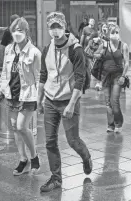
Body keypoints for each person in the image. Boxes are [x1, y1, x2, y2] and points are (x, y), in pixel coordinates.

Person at [37, 11, 92, 192]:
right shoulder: (47, 49)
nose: (55, 31)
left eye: (58, 26)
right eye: (52, 27)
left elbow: (80, 78)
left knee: (73, 140)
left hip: (69, 100)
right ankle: (56, 178)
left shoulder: (75, 49)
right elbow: (43, 75)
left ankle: (86, 157)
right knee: (50, 142)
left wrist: (71, 104)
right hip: (50, 101)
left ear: (64, 27)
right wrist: (39, 99)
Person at [0, 17, 41, 175]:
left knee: (22, 126)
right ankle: (23, 159)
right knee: (15, 127)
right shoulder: (8, 49)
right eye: (14, 30)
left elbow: (38, 78)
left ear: (27, 32)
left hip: (27, 95)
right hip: (11, 93)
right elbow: (4, 73)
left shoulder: (34, 52)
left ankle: (34, 157)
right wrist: (0, 90)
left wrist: (39, 99)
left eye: (20, 30)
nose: (16, 33)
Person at [94, 24, 129, 133]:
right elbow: (94, 54)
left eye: (116, 32)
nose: (115, 35)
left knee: (114, 101)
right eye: (112, 33)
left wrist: (123, 76)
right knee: (108, 102)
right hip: (105, 76)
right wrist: (98, 51)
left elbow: (127, 63)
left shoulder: (123, 46)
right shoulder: (104, 45)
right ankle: (111, 124)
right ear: (109, 34)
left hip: (118, 76)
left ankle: (118, 123)